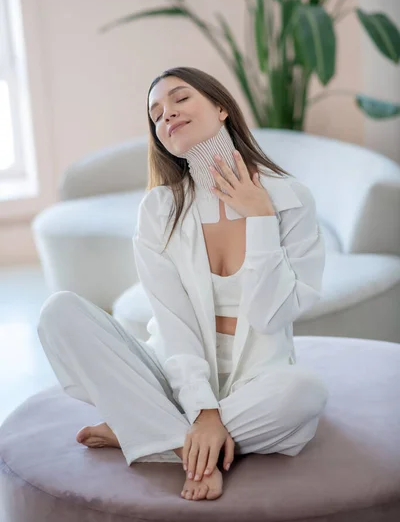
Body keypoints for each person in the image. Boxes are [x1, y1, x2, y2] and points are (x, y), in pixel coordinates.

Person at [37, 66, 329, 502]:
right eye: (155, 113)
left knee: (305, 393)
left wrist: (262, 219)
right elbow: (174, 323)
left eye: (179, 99)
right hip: (175, 375)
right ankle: (185, 443)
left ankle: (142, 429)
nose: (166, 115)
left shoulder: (290, 197)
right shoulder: (159, 209)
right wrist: (204, 412)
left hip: (258, 379)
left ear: (221, 107)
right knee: (58, 311)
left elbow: (272, 315)